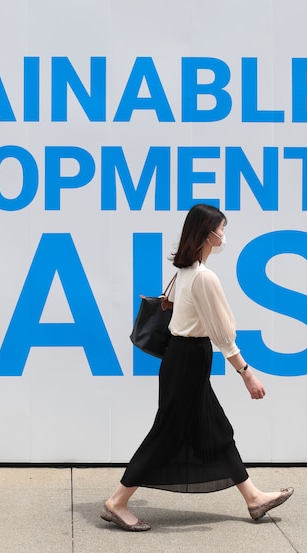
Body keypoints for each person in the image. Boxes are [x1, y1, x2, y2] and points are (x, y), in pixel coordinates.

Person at [102, 204, 293, 532]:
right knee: (167, 433)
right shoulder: (204, 277)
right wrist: (247, 373)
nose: (224, 235)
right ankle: (117, 502)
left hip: (183, 358)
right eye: (222, 228)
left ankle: (253, 498)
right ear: (208, 233)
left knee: (215, 429)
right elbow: (222, 335)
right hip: (189, 359)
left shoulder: (186, 271)